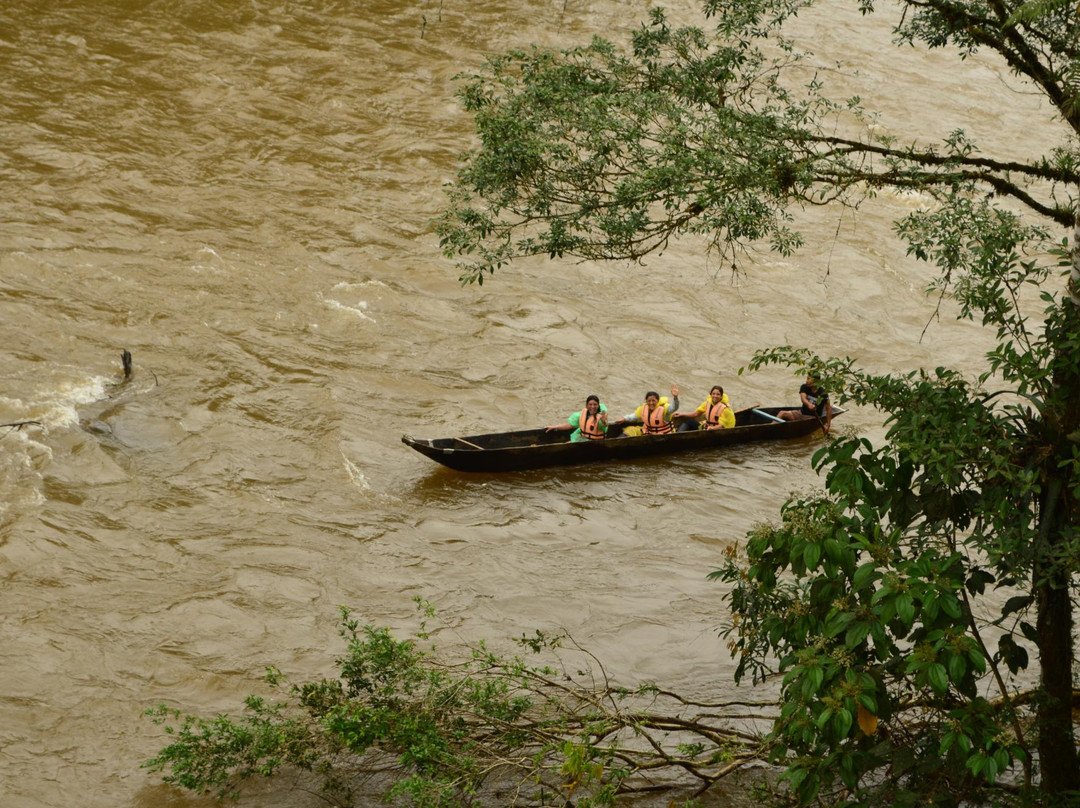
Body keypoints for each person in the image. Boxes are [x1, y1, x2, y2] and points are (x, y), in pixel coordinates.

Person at [615, 384, 680, 435]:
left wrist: (675, 397)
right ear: (646, 401)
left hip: (664, 435)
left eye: (653, 401)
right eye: (649, 401)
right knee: (630, 430)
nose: (651, 403)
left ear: (657, 401)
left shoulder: (664, 409)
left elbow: (674, 407)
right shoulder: (644, 408)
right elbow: (634, 416)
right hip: (649, 434)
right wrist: (624, 418)